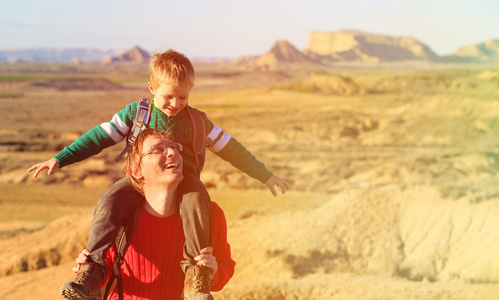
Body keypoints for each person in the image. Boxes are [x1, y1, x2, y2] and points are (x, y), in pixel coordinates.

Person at [28, 49, 289, 299]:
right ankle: (93, 270)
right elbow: (99, 137)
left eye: (183, 98)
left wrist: (264, 175)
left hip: (185, 181)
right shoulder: (136, 114)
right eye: (168, 97)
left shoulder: (198, 121)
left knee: (197, 201)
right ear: (152, 88)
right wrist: (60, 159)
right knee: (108, 201)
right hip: (136, 180)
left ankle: (196, 274)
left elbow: (231, 149)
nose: (175, 104)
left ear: (191, 91)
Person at [62, 128, 236, 300]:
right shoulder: (119, 215)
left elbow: (225, 267)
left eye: (174, 147)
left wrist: (214, 271)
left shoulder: (210, 214)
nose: (171, 152)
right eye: (158, 149)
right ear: (137, 171)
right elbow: (105, 274)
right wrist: (86, 265)